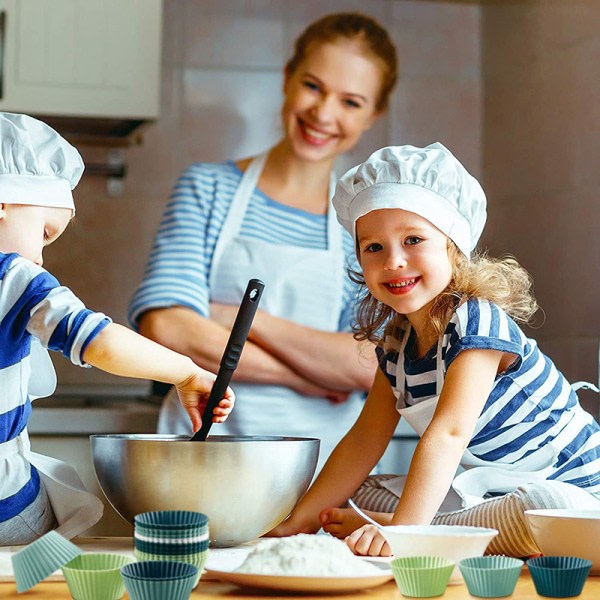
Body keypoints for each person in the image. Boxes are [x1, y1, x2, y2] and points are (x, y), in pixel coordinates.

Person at [270, 143, 600, 557]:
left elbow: (449, 433)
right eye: (373, 247)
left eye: (413, 239)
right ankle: (431, 528)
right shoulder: (396, 344)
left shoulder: (478, 320)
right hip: (490, 492)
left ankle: (418, 530)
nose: (393, 261)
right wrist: (298, 522)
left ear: (454, 246)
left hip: (573, 494)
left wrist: (404, 532)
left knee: (539, 510)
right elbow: (363, 440)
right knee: (363, 494)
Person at [128, 13, 398, 470]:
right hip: (204, 451)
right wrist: (303, 377)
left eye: (351, 102)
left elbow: (369, 365)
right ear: (288, 78)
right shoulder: (207, 189)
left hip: (323, 466)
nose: (324, 113)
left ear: (373, 114)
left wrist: (240, 319)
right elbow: (166, 329)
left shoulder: (365, 225)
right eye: (313, 86)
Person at [0, 112, 235, 546]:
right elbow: (100, 341)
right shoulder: (14, 277)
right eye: (45, 232)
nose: (41, 257)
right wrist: (186, 372)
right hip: (4, 502)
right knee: (47, 568)